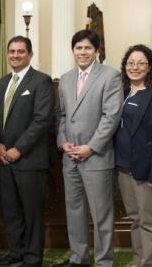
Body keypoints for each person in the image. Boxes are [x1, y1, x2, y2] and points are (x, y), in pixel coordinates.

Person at [54, 29, 123, 267]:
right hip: (69, 156)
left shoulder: (110, 76)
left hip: (96, 157)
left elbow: (111, 117)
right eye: (78, 48)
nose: (82, 52)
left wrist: (90, 147)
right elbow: (61, 116)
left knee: (101, 214)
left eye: (87, 48)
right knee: (75, 211)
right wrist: (63, 143)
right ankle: (79, 258)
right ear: (72, 51)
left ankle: (104, 262)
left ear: (97, 51)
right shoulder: (65, 78)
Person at [0, 36, 55, 267]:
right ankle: (15, 252)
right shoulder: (2, 83)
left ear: (30, 54)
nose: (15, 55)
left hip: (29, 159)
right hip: (4, 159)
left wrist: (18, 149)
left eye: (21, 51)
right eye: (11, 51)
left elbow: (42, 120)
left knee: (32, 213)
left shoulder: (41, 81)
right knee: (11, 211)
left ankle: (32, 258)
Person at [115, 44, 152, 267]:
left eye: (141, 63)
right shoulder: (120, 92)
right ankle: (137, 261)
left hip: (149, 171)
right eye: (130, 63)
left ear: (150, 67)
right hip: (123, 168)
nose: (135, 67)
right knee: (135, 219)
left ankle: (148, 264)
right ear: (124, 66)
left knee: (149, 221)